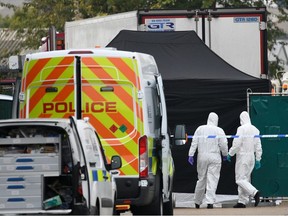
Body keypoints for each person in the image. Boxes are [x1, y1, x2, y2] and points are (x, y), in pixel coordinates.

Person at [188, 112, 228, 209]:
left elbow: (194, 142)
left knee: (201, 179)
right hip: (215, 157)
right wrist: (225, 154)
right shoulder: (219, 130)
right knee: (212, 179)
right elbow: (223, 144)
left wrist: (191, 154)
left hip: (202, 156)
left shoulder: (200, 129)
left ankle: (197, 201)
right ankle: (210, 202)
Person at [227, 111, 262, 208]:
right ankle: (242, 201)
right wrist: (258, 158)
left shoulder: (241, 129)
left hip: (243, 157)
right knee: (245, 179)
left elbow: (237, 143)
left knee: (239, 179)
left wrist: (230, 153)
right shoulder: (255, 129)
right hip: (251, 156)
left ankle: (254, 192)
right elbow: (258, 145)